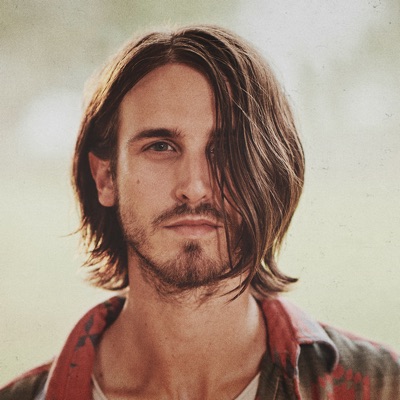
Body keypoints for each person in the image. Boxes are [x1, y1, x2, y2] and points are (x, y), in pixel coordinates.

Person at [1, 24, 399, 400]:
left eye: (227, 149)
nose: (194, 186)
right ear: (105, 177)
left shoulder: (384, 386)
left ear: (273, 174)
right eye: (160, 147)